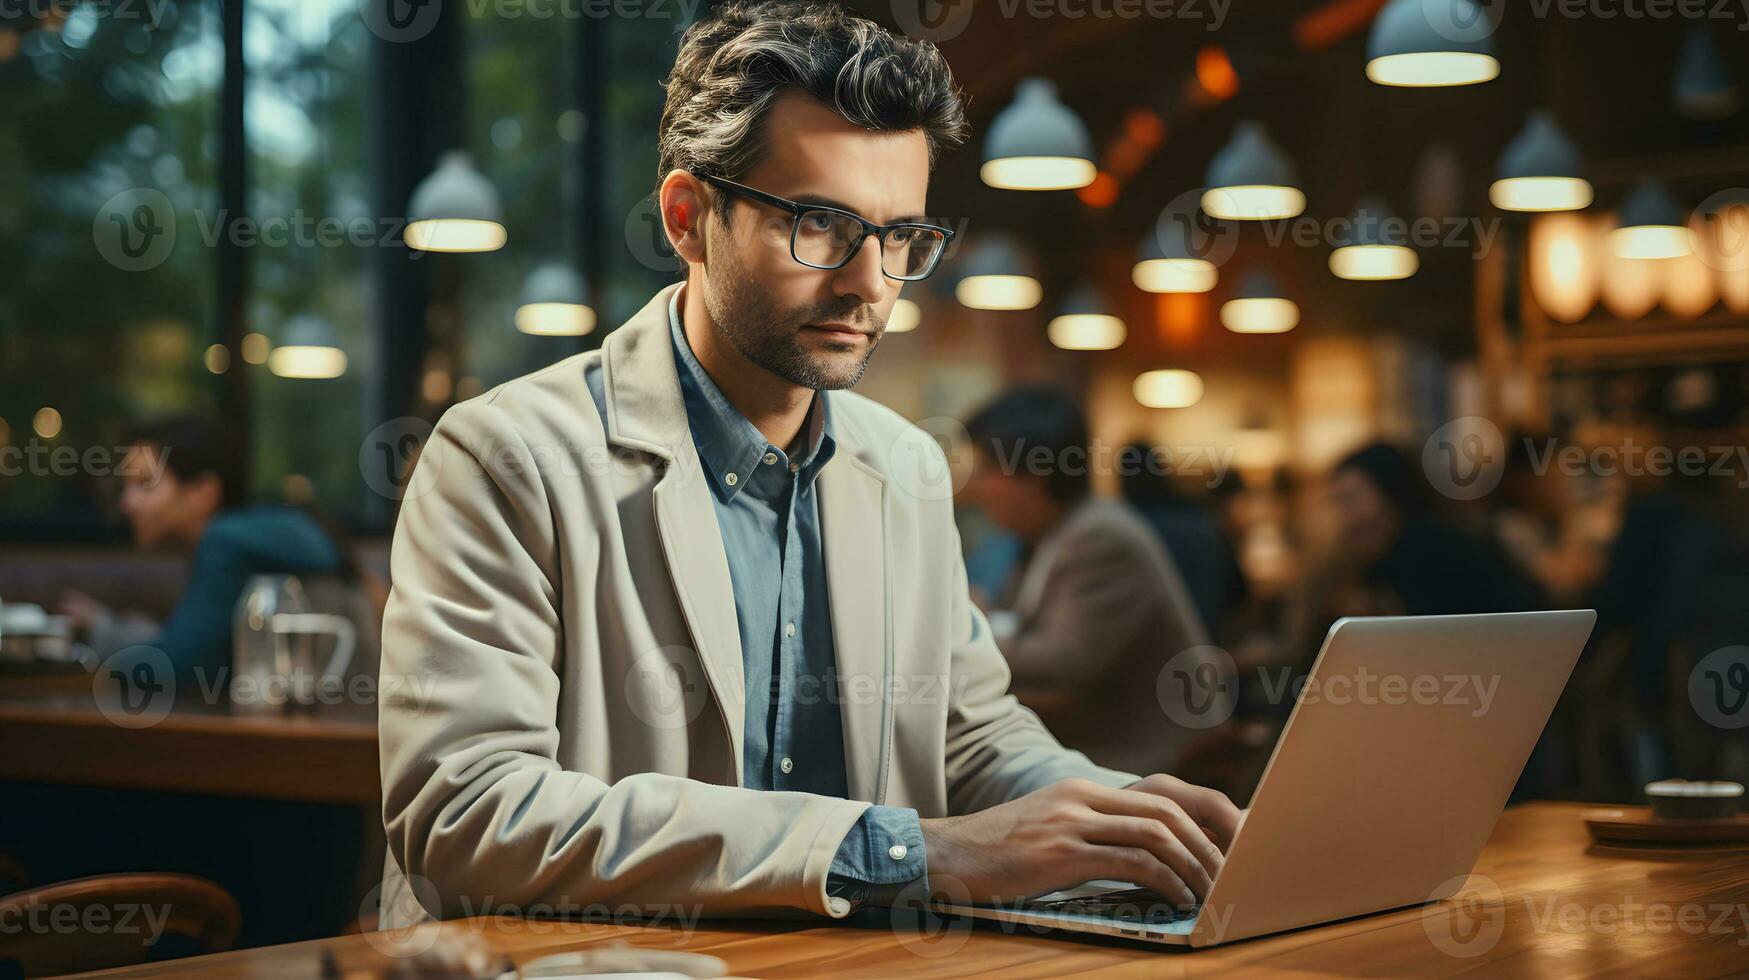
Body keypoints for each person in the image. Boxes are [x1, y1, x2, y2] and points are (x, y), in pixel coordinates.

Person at [376, 1, 1239, 928]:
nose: (870, 284)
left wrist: (1128, 821)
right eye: (822, 224)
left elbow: (972, 737)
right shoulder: (505, 455)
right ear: (686, 218)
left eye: (901, 237)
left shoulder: (905, 466)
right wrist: (915, 851)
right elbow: (469, 812)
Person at [961, 391, 1212, 776]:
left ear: (1034, 472)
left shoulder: (1102, 536)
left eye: (987, 470)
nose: (978, 488)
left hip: (1145, 758)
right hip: (1090, 738)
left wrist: (970, 631)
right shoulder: (1050, 534)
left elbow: (1064, 661)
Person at [59, 415, 342, 681]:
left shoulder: (224, 544)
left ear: (203, 491)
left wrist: (73, 652)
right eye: (126, 486)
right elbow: (196, 649)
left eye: (146, 484)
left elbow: (174, 670)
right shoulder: (261, 537)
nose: (127, 502)